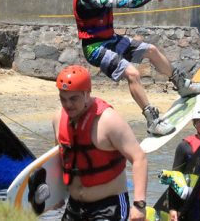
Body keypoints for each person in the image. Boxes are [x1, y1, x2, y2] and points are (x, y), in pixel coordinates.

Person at [74, 0, 200, 136]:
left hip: (111, 40)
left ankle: (182, 85)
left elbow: (125, 0)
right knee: (133, 73)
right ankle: (153, 121)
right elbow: (121, 2)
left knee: (151, 49)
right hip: (95, 48)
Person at [52, 65, 148, 221]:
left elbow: (139, 158)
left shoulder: (108, 120)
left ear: (87, 93)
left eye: (73, 99)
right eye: (63, 99)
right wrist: (55, 195)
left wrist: (139, 205)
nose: (67, 105)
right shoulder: (58, 119)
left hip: (109, 207)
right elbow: (59, 160)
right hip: (74, 206)